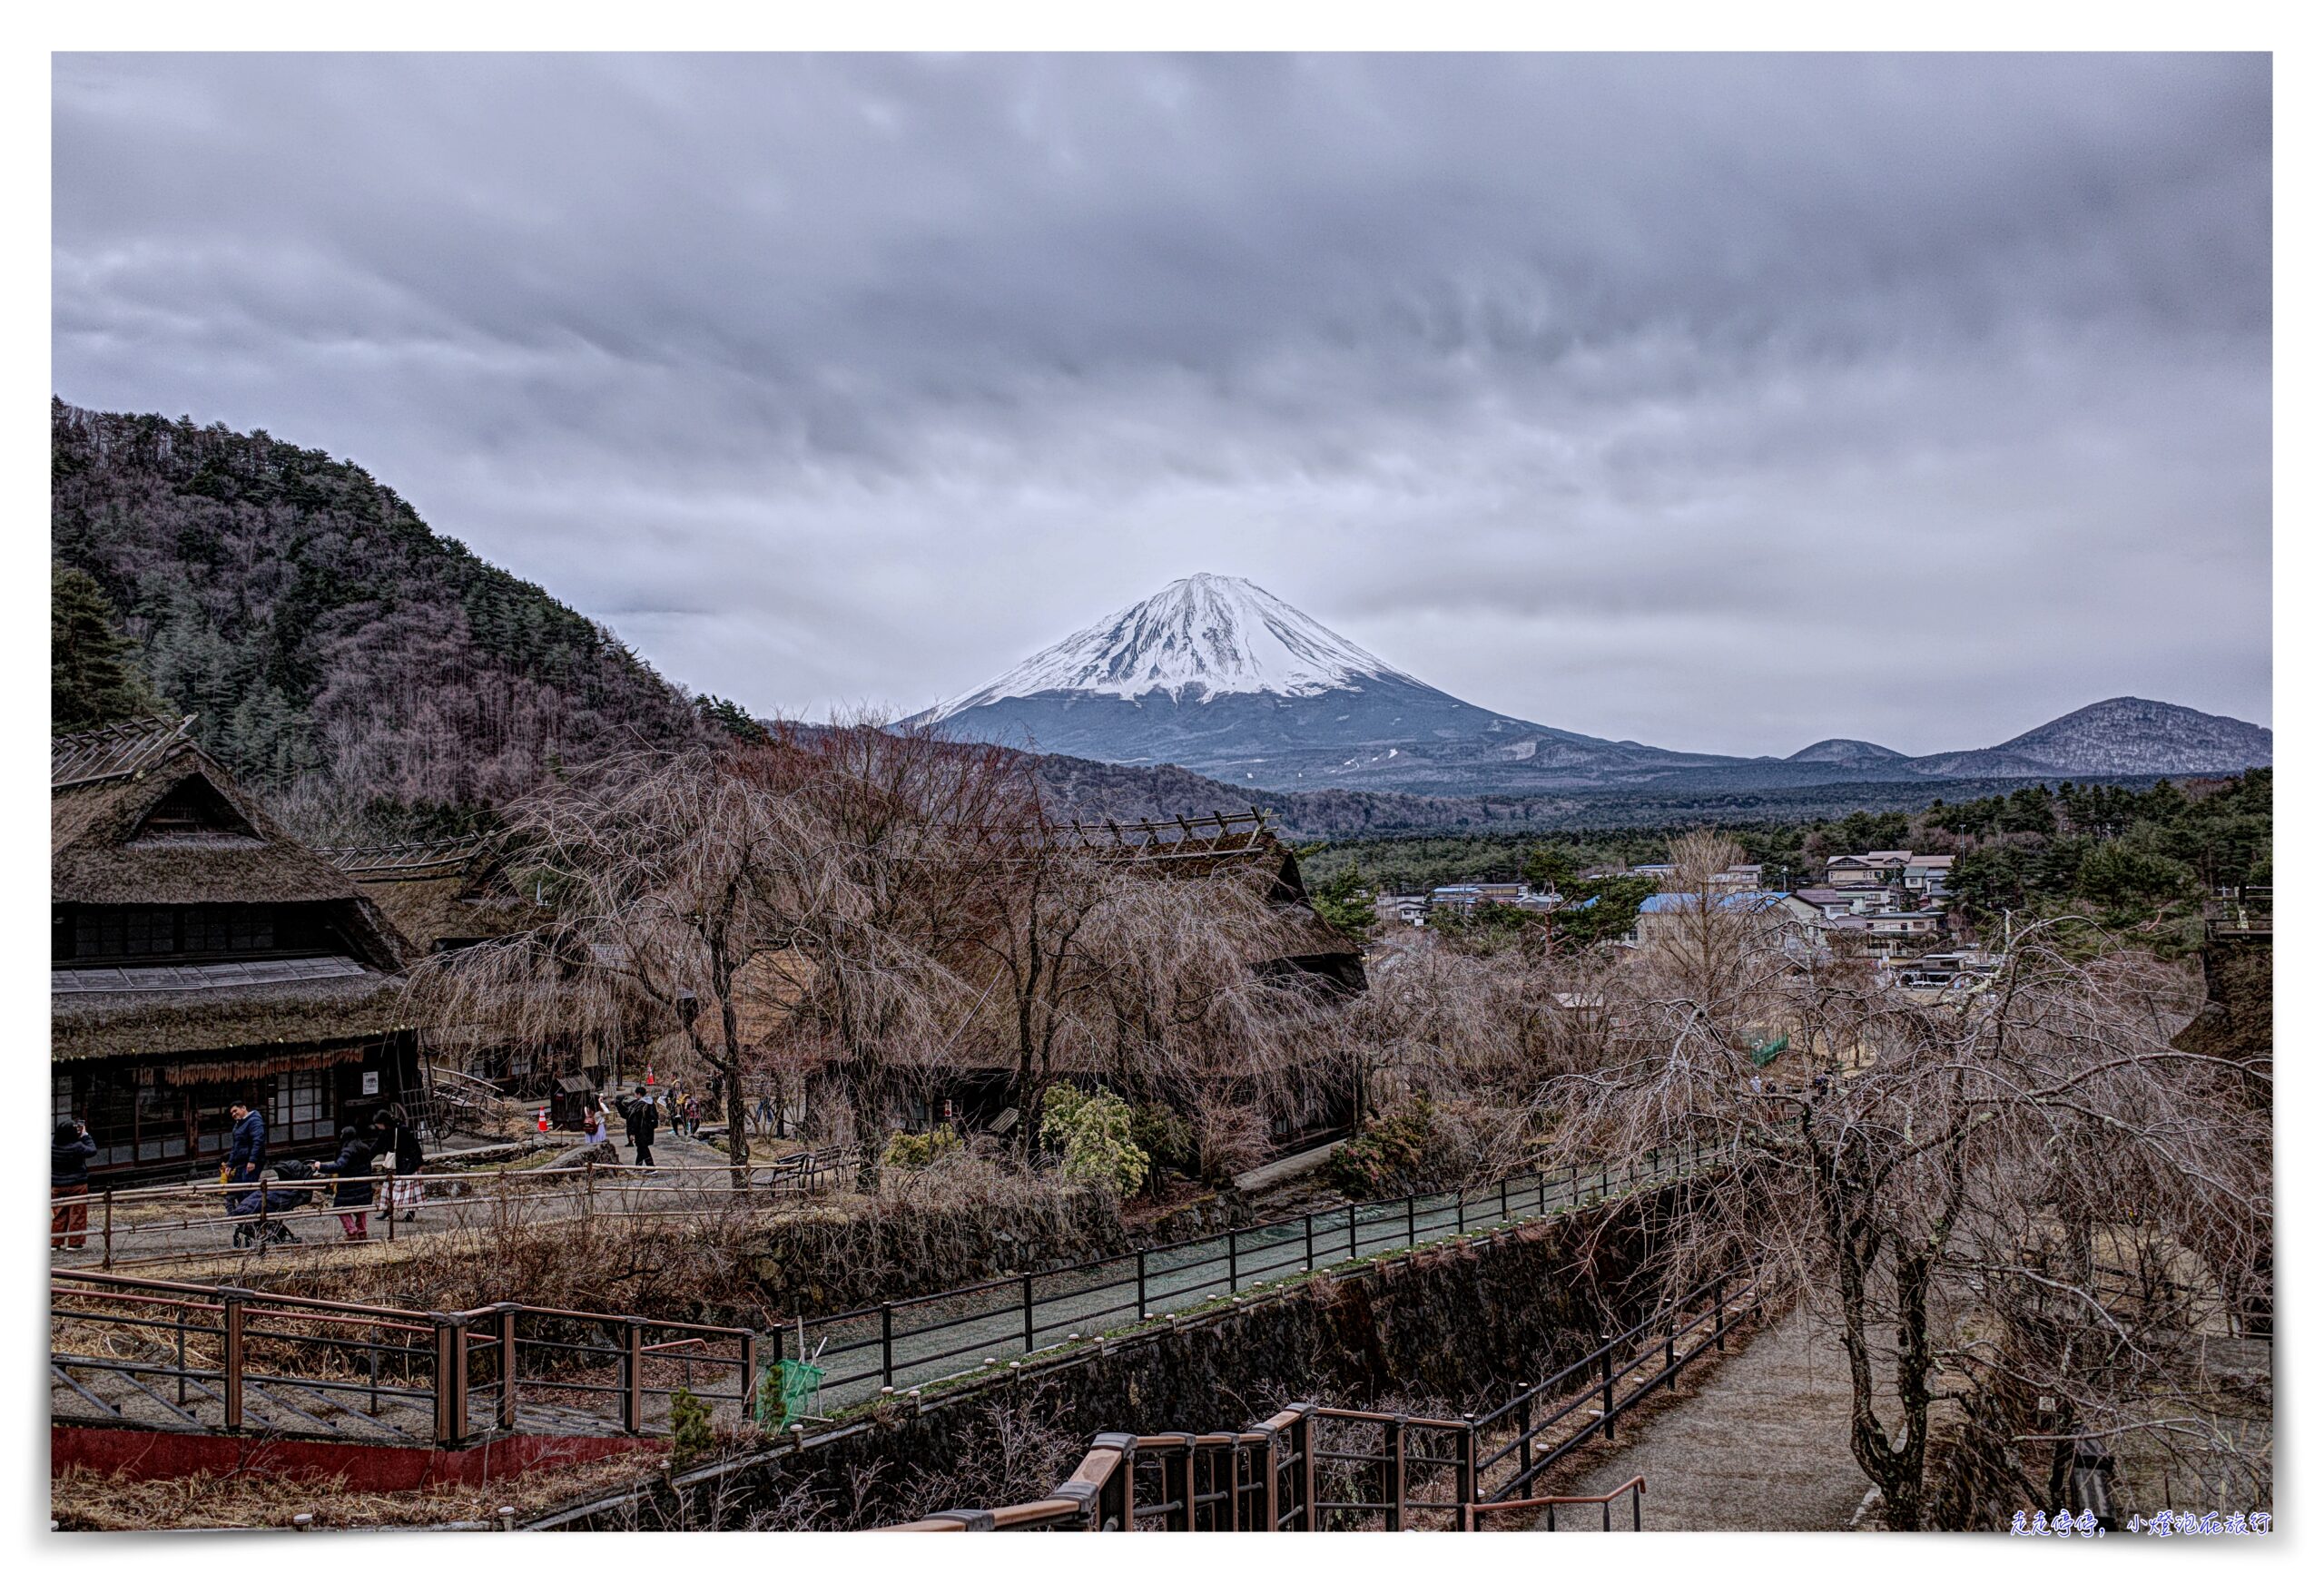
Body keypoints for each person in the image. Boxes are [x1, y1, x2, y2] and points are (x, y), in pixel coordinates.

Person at [320, 1126, 376, 1240]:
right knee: (361, 1208)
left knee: (340, 1208)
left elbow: (339, 1166)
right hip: (364, 1185)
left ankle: (351, 1230)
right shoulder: (364, 1148)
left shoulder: (347, 1151)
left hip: (349, 1186)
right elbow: (369, 1167)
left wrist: (321, 1166)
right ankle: (362, 1230)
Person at [51, 1119, 98, 1251]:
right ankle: (75, 1242)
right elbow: (92, 1150)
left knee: (57, 1213)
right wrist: (85, 1135)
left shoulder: (52, 1146)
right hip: (77, 1184)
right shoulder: (77, 1146)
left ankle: (54, 1242)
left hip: (57, 1184)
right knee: (78, 1212)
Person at [379, 1103, 425, 1221]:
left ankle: (410, 1214)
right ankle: (387, 1211)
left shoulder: (402, 1130)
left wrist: (419, 1163)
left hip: (407, 1163)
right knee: (388, 1188)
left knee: (409, 1191)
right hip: (396, 1165)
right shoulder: (386, 1132)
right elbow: (376, 1146)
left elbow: (414, 1146)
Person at [226, 1099, 268, 1185]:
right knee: (237, 1189)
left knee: (248, 1189)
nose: (233, 1114)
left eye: (235, 1111)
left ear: (243, 1108)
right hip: (240, 1161)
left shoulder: (254, 1121)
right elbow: (236, 1146)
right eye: (232, 1113)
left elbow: (258, 1141)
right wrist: (230, 1164)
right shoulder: (238, 1124)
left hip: (251, 1161)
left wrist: (252, 1160)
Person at [624, 1085, 657, 1167]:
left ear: (639, 1094)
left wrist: (631, 1133)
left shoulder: (640, 1105)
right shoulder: (651, 1103)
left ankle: (651, 1167)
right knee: (641, 1149)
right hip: (648, 1130)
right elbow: (655, 1117)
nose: (635, 1096)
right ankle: (638, 1167)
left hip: (641, 1131)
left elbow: (635, 1120)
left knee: (643, 1149)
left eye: (635, 1094)